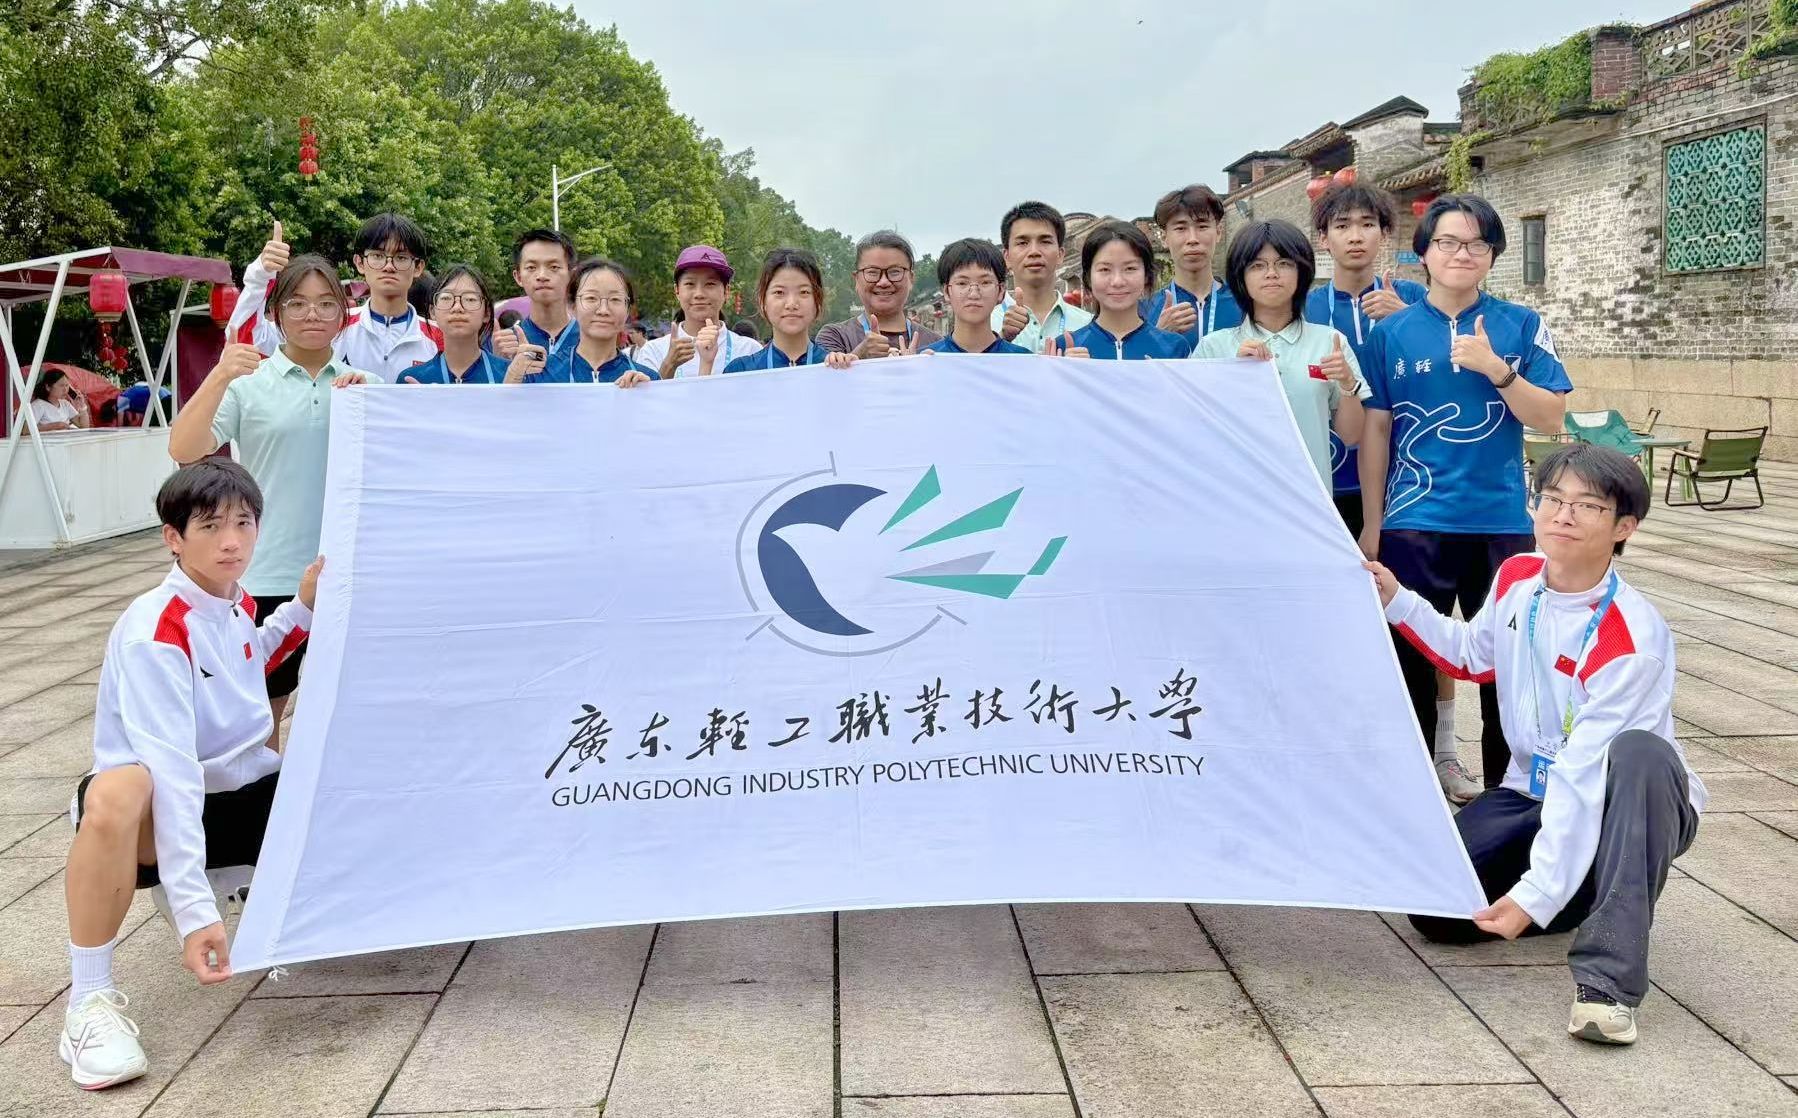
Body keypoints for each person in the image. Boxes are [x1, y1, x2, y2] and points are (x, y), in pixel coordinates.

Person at [1368, 443, 1703, 1046]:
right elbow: (1470, 656)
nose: (1563, 515)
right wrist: (1397, 599)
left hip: (1624, 801)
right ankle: (1587, 885)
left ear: (1624, 527)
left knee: (1639, 755)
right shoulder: (1519, 576)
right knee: (1439, 910)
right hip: (1532, 788)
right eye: (1552, 498)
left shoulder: (1631, 637)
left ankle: (1607, 981)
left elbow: (1583, 773)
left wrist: (1535, 894)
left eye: (1587, 505)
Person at [58, 459, 322, 1089]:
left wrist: (304, 608)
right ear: (173, 538)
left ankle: (263, 891)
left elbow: (251, 659)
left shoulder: (234, 603)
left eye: (243, 523)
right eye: (210, 526)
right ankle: (88, 1004)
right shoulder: (155, 630)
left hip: (238, 793)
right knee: (119, 789)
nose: (231, 541)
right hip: (160, 815)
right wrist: (196, 914)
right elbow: (173, 773)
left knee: (338, 771)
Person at [1360, 194, 1572, 795]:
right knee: (1410, 661)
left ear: (1492, 255)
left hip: (1501, 523)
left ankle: (1509, 795)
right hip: (1414, 521)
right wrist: (1373, 524)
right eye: (1448, 242)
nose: (1463, 253)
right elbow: (1376, 430)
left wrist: (1495, 368)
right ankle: (1413, 793)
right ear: (1424, 252)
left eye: (1477, 244)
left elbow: (1552, 417)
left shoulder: (1521, 325)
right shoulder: (1391, 334)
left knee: (1508, 664)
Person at [168, 254, 374, 744]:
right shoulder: (249, 385)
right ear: (276, 312)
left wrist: (374, 401)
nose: (312, 314)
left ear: (343, 314)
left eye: (326, 303)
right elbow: (184, 449)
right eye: (297, 303)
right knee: (262, 719)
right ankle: (265, 798)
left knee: (352, 718)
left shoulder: (367, 388)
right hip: (271, 575)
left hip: (352, 575)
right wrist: (220, 376)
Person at [1305, 183, 1458, 795]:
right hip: (1325, 483)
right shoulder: (1306, 304)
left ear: (1385, 235)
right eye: (1342, 225)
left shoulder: (1416, 299)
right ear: (1323, 239)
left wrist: (1406, 324)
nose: (1356, 236)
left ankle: (1443, 748)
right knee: (1334, 622)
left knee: (1420, 618)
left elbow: (1451, 369)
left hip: (1409, 486)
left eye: (1367, 224)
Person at [1195, 220, 1368, 486]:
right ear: (1240, 277)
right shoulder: (1213, 348)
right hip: (1235, 494)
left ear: (1302, 272)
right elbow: (1195, 431)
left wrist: (1347, 384)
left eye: (1284, 263)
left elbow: (1352, 436)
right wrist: (1233, 376)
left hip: (1309, 496)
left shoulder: (1329, 342)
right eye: (1257, 266)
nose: (1271, 274)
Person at [228, 215, 443, 382]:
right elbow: (248, 337)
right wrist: (261, 274)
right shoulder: (330, 324)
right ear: (359, 263)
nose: (389, 266)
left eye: (401, 257)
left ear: (418, 267)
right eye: (377, 256)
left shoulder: (441, 337)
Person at [634, 245, 763, 378]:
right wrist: (668, 365)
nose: (699, 294)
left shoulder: (749, 351)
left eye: (710, 284)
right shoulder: (652, 352)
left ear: (726, 291)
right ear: (677, 291)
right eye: (690, 284)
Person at [1066, 221, 1189, 360]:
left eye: (1130, 268)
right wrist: (1063, 368)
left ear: (1147, 276)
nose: (1117, 281)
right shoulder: (1067, 348)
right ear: (1088, 277)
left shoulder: (1175, 348)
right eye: (1105, 269)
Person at [721, 248, 857, 373]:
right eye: (779, 292)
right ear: (763, 301)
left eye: (804, 292)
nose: (791, 304)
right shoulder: (740, 371)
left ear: (818, 302)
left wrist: (852, 370)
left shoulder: (836, 369)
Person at [1141, 185, 1243, 348]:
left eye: (1202, 227)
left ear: (1218, 232)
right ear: (1164, 238)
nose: (1192, 239)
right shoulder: (1144, 310)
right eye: (1181, 228)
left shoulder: (1244, 304)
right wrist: (1159, 336)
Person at [816, 231, 942, 358]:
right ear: (856, 279)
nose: (883, 282)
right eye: (872, 272)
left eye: (895, 272)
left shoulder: (936, 344)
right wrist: (860, 356)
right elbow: (827, 371)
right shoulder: (835, 337)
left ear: (911, 279)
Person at [992, 201, 1091, 353]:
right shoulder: (986, 324)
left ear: (1060, 254)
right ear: (1007, 257)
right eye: (1022, 243)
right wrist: (1001, 340)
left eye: (1045, 241)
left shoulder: (1087, 325)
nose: (1034, 252)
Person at [555, 257, 654, 385]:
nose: (603, 310)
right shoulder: (543, 375)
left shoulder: (648, 380)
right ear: (572, 306)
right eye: (591, 298)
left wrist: (648, 393)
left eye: (615, 299)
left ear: (628, 309)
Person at [402, 266, 509, 384]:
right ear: (432, 311)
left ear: (487, 313)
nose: (457, 307)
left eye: (470, 299)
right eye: (446, 298)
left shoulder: (510, 376)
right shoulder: (412, 380)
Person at [491, 229, 580, 368]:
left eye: (554, 267)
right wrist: (498, 363)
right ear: (518, 277)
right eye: (531, 267)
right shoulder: (506, 343)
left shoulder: (590, 338)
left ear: (572, 275)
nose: (542, 275)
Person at [923, 239, 1030, 355]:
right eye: (962, 283)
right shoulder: (925, 359)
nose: (974, 294)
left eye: (985, 282)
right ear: (946, 292)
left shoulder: (1023, 360)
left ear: (1001, 290)